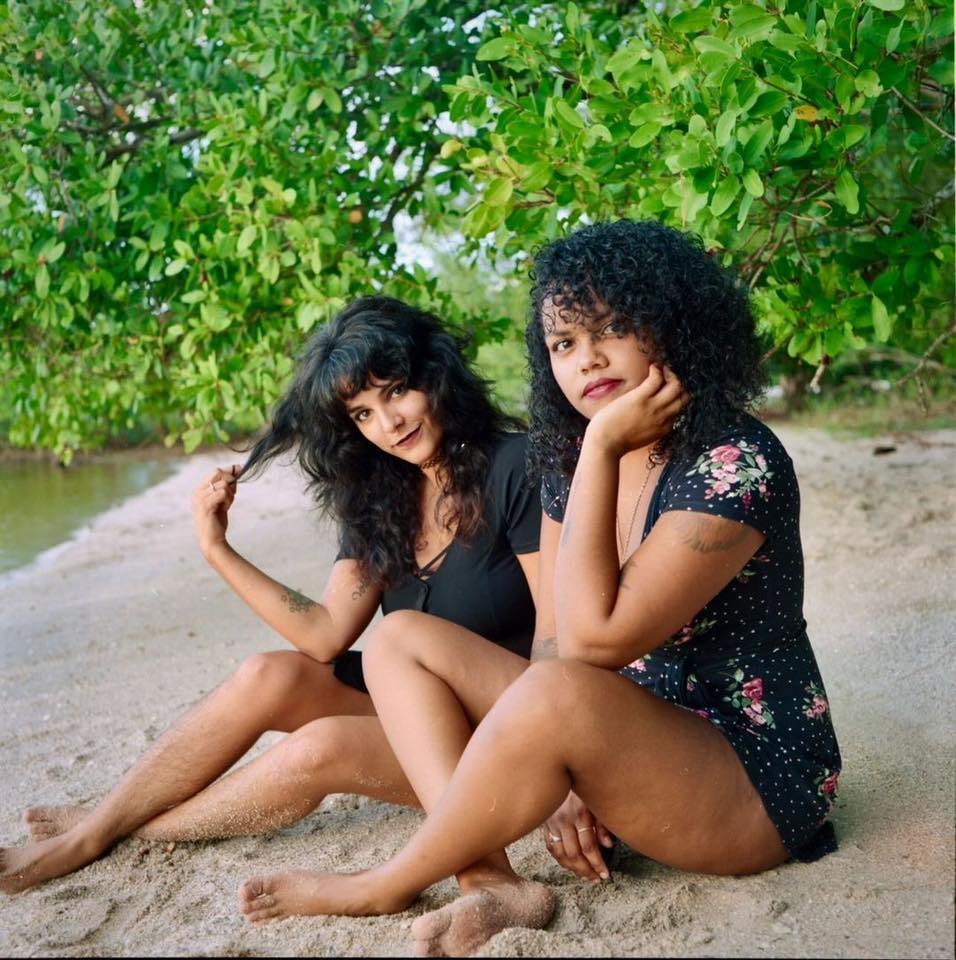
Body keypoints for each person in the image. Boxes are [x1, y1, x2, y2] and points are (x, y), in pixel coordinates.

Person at [234, 219, 843, 958]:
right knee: (399, 639)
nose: (588, 359)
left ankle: (386, 881)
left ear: (674, 321)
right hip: (635, 740)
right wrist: (572, 776)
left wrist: (604, 447)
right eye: (564, 343)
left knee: (554, 692)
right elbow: (554, 639)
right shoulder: (569, 457)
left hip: (751, 787)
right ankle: (487, 880)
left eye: (613, 327)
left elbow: (594, 640)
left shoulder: (735, 463)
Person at [0, 295, 547, 909]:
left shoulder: (514, 466)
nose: (388, 424)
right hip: (422, 710)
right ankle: (108, 823)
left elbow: (559, 635)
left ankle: (102, 829)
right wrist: (217, 548)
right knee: (269, 674)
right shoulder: (383, 498)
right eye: (363, 414)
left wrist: (565, 758)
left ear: (435, 376)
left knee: (321, 747)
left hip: (506, 725)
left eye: (396, 392)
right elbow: (323, 634)